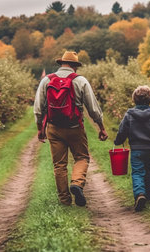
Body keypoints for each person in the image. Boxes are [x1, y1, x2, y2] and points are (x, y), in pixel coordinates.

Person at [34, 51, 108, 206]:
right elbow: (93, 108)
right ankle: (77, 183)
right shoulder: (80, 81)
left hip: (54, 128)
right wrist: (101, 126)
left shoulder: (46, 80)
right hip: (75, 127)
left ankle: (65, 200)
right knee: (82, 157)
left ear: (61, 63)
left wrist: (40, 129)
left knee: (59, 165)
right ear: (75, 66)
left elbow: (38, 109)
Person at [113, 85, 150, 212]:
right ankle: (147, 196)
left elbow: (123, 130)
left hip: (136, 149)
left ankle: (140, 194)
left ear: (134, 100)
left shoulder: (129, 114)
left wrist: (118, 141)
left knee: (138, 171)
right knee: (146, 169)